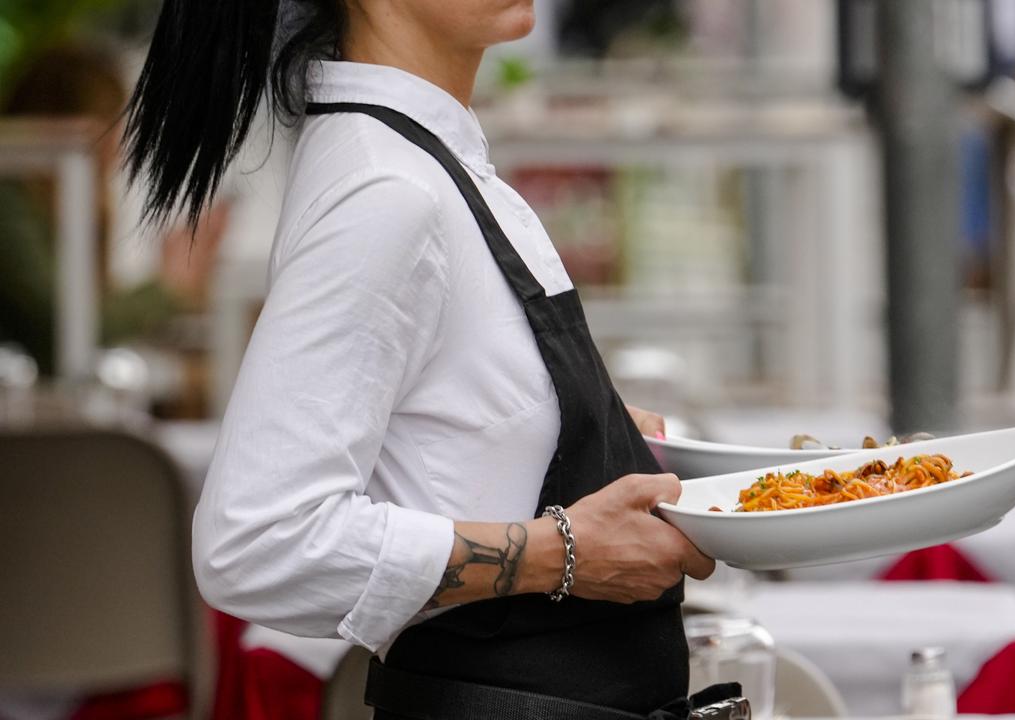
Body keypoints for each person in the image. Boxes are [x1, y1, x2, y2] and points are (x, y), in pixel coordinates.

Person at [124, 1, 724, 718]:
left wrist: (596, 427)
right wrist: (564, 552)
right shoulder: (387, 190)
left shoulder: (421, 159)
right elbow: (256, 540)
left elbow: (440, 433)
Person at [0, 44, 227, 376]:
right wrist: (168, 288)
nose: (116, 152)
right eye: (107, 128)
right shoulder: (10, 198)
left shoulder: (49, 205)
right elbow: (63, 329)